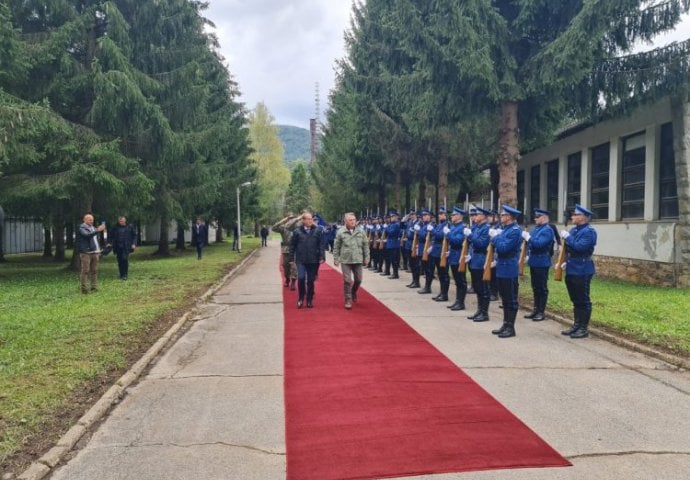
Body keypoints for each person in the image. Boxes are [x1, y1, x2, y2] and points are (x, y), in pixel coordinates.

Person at [560, 204, 598, 339]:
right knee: (575, 298)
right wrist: (565, 261)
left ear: (583, 217)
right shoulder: (574, 230)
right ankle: (576, 325)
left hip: (582, 268)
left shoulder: (589, 232)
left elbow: (580, 247)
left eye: (575, 215)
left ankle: (583, 328)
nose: (572, 217)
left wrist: (568, 238)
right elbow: (569, 249)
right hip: (572, 267)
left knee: (583, 299)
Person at [490, 205, 523, 338]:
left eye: (503, 215)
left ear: (509, 217)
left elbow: (503, 248)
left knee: (511, 299)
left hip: (509, 267)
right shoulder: (505, 229)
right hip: (502, 267)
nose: (500, 217)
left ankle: (511, 327)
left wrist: (496, 237)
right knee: (504, 299)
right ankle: (505, 323)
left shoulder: (515, 230)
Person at [522, 208, 555, 321]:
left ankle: (541, 312)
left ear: (544, 218)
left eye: (537, 217)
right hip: (534, 261)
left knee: (541, 288)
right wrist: (527, 253)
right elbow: (531, 245)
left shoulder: (547, 230)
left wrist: (529, 238)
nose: (535, 219)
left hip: (542, 262)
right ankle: (535, 310)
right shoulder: (537, 229)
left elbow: (539, 244)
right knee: (535, 287)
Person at [289, 211, 326, 308]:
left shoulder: (317, 230)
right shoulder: (297, 232)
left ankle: (309, 299)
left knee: (310, 280)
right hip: (301, 259)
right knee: (300, 278)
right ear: (303, 220)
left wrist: (322, 257)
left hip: (313, 260)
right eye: (308, 219)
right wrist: (291, 258)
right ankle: (301, 297)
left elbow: (321, 245)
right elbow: (292, 246)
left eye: (311, 219)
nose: (310, 221)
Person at [333, 212, 370, 309]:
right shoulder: (341, 232)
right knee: (347, 280)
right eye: (350, 220)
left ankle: (353, 291)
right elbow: (336, 247)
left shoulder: (361, 231)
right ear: (345, 221)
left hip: (358, 259)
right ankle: (348, 299)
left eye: (354, 220)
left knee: (358, 280)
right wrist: (336, 258)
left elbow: (365, 245)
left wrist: (367, 257)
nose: (353, 222)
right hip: (346, 260)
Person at [465, 207, 491, 322]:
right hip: (474, 259)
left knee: (484, 288)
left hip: (481, 259)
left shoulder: (486, 228)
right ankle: (479, 310)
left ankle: (484, 313)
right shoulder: (478, 227)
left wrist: (470, 235)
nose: (475, 216)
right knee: (478, 288)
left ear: (484, 216)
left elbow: (481, 243)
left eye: (478, 214)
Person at [76, 213, 106, 293]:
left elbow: (95, 239)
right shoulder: (81, 228)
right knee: (85, 270)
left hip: (95, 252)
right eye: (90, 220)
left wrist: (98, 249)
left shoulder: (93, 228)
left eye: (92, 220)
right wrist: (97, 230)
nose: (91, 221)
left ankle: (94, 287)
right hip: (86, 252)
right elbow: (87, 235)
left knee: (94, 270)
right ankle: (84, 289)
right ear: (84, 220)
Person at [446, 206, 468, 311]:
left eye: (454, 215)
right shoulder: (454, 226)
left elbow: (457, 241)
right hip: (453, 255)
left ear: (459, 216)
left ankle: (461, 302)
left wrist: (448, 233)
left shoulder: (462, 227)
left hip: (459, 255)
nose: (452, 216)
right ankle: (457, 301)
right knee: (456, 280)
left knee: (461, 280)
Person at [272, 214, 301, 290]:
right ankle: (287, 279)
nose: (291, 220)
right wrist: (283, 220)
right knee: (286, 267)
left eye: (292, 218)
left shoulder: (298, 227)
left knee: (294, 267)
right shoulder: (284, 228)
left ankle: (293, 282)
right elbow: (274, 228)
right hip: (286, 250)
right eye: (290, 218)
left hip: (295, 250)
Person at [429, 206, 450, 302]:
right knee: (440, 274)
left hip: (442, 251)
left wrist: (432, 231)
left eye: (442, 214)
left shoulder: (447, 225)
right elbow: (435, 238)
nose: (440, 216)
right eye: (439, 214)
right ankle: (441, 292)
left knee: (444, 274)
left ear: (446, 215)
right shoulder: (439, 225)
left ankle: (444, 294)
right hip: (436, 251)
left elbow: (440, 235)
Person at [108, 216, 137, 280]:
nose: (122, 222)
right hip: (118, 247)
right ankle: (121, 274)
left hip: (126, 246)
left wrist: (134, 244)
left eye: (123, 221)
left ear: (125, 220)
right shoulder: (115, 228)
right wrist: (109, 243)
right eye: (120, 221)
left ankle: (125, 274)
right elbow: (110, 236)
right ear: (118, 221)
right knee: (120, 261)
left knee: (124, 259)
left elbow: (134, 236)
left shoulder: (130, 227)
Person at [382, 210, 402, 279]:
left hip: (394, 244)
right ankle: (394, 273)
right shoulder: (391, 224)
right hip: (390, 244)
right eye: (391, 216)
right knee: (392, 259)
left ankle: (395, 273)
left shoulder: (396, 224)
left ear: (396, 217)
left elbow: (391, 233)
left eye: (393, 216)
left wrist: (386, 228)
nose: (391, 218)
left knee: (394, 260)